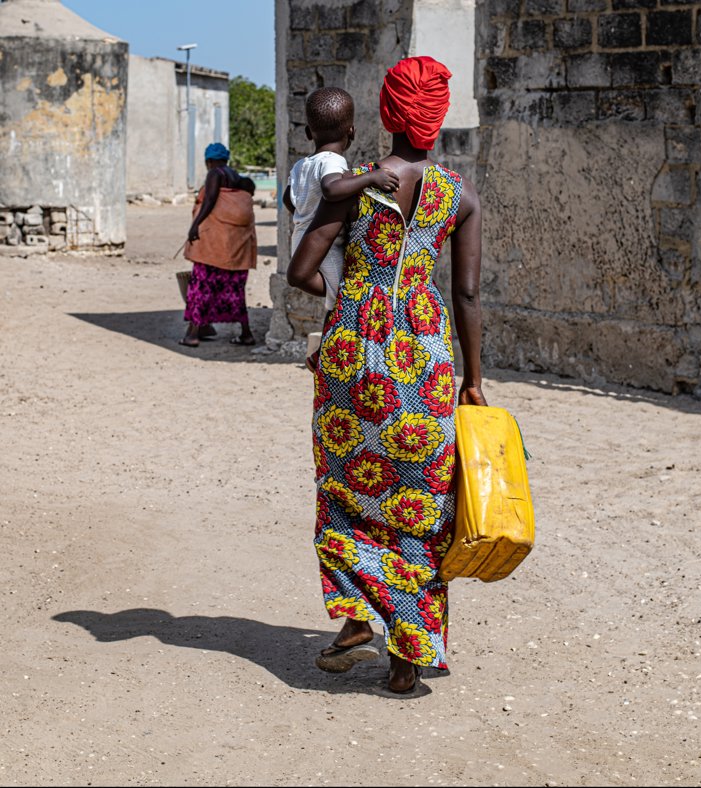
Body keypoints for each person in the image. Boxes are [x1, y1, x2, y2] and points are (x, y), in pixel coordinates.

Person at [287, 56, 487, 695]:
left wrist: (349, 299)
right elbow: (468, 296)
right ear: (438, 118)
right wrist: (473, 380)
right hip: (425, 360)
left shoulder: (358, 187)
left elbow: (301, 270)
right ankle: (408, 659)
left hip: (354, 353)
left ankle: (357, 620)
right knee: (421, 500)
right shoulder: (459, 196)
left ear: (387, 113)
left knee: (347, 488)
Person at [282, 86, 399, 369]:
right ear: (352, 131)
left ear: (308, 133)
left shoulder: (301, 165)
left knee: (333, 294)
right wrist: (370, 178)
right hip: (323, 245)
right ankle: (326, 348)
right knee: (341, 297)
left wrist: (304, 213)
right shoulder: (333, 161)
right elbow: (332, 189)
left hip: (300, 235)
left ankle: (325, 346)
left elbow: (288, 199)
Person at [180, 142, 258, 348]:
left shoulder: (215, 174)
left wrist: (195, 225)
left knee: (201, 287)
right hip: (234, 247)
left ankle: (192, 334)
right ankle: (245, 333)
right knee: (235, 290)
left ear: (209, 161)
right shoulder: (237, 178)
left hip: (214, 245)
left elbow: (210, 200)